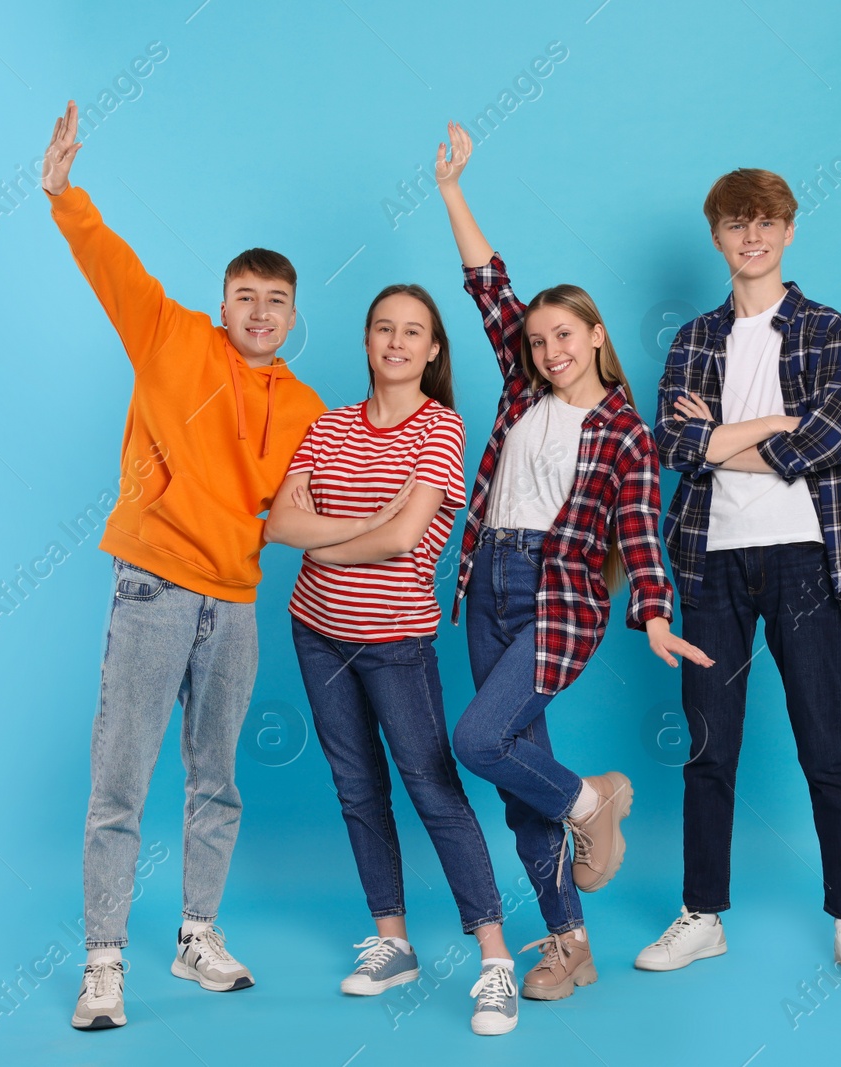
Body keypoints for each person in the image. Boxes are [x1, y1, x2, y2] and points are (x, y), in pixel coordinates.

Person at [39, 101, 330, 1031]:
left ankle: (196, 931)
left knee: (218, 778)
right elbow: (109, 265)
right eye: (244, 295)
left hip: (234, 603)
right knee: (120, 780)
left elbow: (316, 498)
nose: (258, 312)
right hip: (154, 586)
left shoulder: (307, 404)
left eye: (274, 301)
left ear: (292, 316)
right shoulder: (170, 336)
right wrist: (64, 193)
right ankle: (103, 962)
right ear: (223, 304)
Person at [432, 122, 713, 1003]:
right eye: (540, 339)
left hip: (558, 599)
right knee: (521, 782)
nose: (551, 351)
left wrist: (658, 614)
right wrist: (452, 192)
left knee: (479, 740)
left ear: (595, 336)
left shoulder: (626, 431)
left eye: (567, 336)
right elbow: (489, 286)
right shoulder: (523, 392)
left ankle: (592, 801)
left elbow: (640, 531)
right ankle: (569, 945)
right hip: (487, 583)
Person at [640, 167, 841, 982]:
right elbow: (672, 447)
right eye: (736, 224)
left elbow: (826, 439)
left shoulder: (830, 329)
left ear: (788, 231)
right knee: (709, 743)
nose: (752, 237)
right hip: (709, 560)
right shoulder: (693, 341)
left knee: (825, 740)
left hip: (805, 558)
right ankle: (702, 913)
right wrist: (765, 426)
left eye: (767, 223)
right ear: (716, 237)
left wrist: (722, 436)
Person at [264, 283, 523, 1036]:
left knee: (432, 787)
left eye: (414, 332)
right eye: (385, 328)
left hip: (395, 641)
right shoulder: (329, 424)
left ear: (434, 349)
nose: (398, 342)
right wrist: (363, 520)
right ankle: (393, 941)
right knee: (355, 786)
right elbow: (280, 520)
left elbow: (404, 538)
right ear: (368, 340)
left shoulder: (441, 427)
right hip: (316, 631)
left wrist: (329, 536)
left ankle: (496, 960)